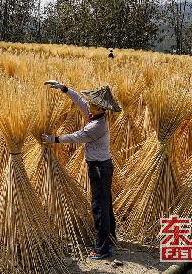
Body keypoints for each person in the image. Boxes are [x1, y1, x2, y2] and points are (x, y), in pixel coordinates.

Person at [42, 80, 121, 260]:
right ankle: (109, 239)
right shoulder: (95, 115)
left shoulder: (97, 126)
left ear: (101, 108)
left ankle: (102, 248)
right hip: (103, 166)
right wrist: (64, 88)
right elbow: (80, 102)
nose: (89, 105)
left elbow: (78, 137)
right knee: (105, 204)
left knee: (99, 207)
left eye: (93, 104)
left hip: (100, 168)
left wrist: (53, 140)